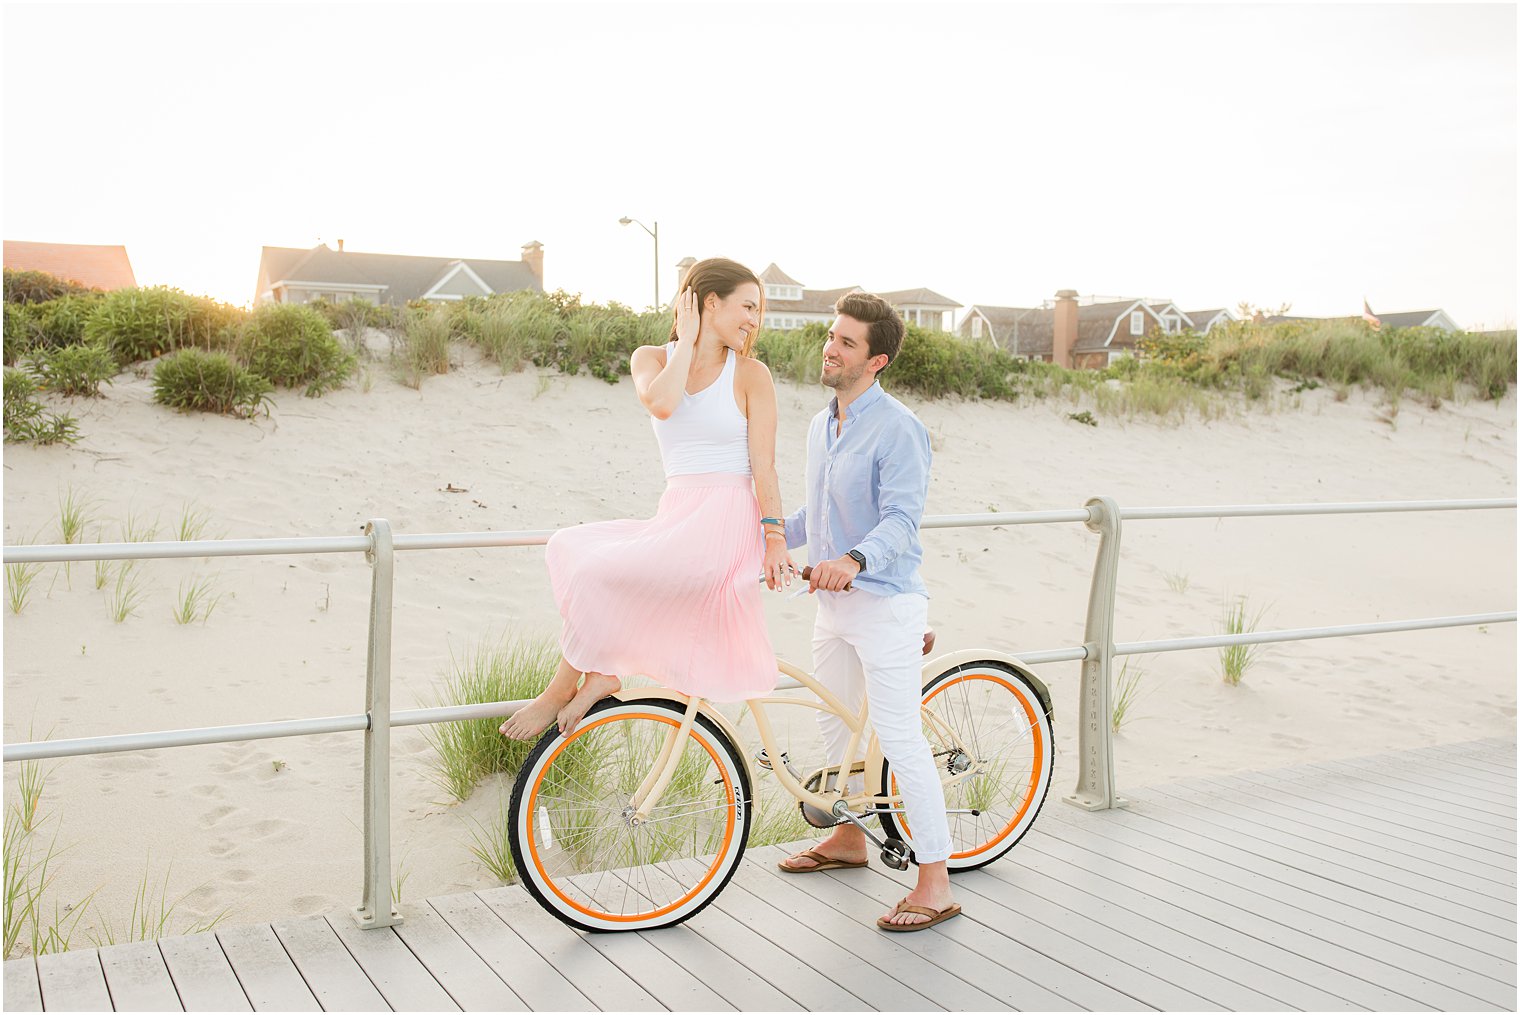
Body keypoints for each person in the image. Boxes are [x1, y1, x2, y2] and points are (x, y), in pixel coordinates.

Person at [501, 258, 795, 740]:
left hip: (726, 520)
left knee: (602, 575)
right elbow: (661, 402)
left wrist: (775, 539)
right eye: (747, 306)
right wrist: (686, 339)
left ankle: (562, 688)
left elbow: (764, 466)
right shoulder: (652, 358)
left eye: (758, 311)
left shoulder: (751, 374)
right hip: (678, 511)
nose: (754, 320)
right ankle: (600, 673)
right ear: (709, 302)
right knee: (575, 552)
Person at [775, 292, 961, 932]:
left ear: (876, 359)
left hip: (884, 602)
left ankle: (933, 882)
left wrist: (854, 559)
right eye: (832, 336)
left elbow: (903, 521)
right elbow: (811, 518)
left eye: (847, 342)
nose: (831, 347)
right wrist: (765, 535)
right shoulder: (819, 426)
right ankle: (849, 839)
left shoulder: (899, 428)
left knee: (900, 738)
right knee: (836, 730)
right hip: (830, 605)